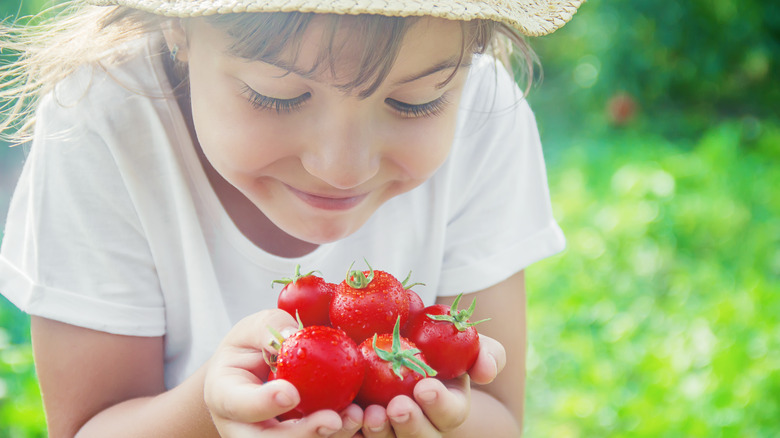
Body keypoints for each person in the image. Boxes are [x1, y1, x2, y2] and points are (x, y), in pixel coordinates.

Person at [0, 0, 581, 436]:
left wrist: (439, 419)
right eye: (276, 96)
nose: (342, 169)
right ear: (180, 29)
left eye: (416, 103)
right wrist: (216, 404)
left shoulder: (483, 116)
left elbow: (499, 415)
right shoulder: (103, 120)